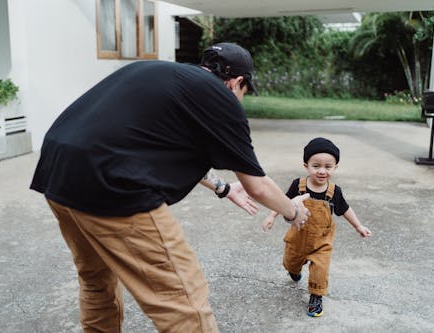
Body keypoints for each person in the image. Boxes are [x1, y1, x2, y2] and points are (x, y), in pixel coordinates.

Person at [30, 42, 310, 333]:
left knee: (96, 280)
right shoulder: (219, 96)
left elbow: (157, 143)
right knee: (183, 300)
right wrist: (293, 212)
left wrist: (224, 188)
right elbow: (259, 186)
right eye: (244, 92)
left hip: (57, 170)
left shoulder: (161, 73)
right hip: (113, 186)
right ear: (237, 82)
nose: (240, 100)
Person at [262, 137, 372, 318]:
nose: (322, 171)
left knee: (320, 270)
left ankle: (316, 295)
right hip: (298, 237)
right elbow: (283, 202)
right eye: (316, 166)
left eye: (328, 166)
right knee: (291, 261)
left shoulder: (334, 192)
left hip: (322, 241)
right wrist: (271, 215)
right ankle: (294, 270)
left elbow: (345, 209)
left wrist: (358, 226)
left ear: (335, 167)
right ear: (306, 165)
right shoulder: (298, 185)